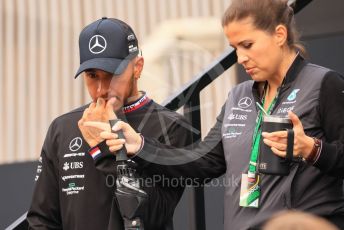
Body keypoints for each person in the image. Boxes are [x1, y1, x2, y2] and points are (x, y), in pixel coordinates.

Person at [86, 0, 344, 229]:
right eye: (234, 48)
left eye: (247, 45)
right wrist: (140, 145)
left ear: (279, 34)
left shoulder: (324, 84)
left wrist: (313, 150)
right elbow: (201, 162)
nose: (241, 58)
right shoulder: (238, 95)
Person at [27, 17, 193, 230]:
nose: (101, 89)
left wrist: (104, 152)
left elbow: (155, 214)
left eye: (113, 74)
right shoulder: (62, 128)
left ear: (137, 67)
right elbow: (41, 220)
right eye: (92, 75)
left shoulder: (171, 127)